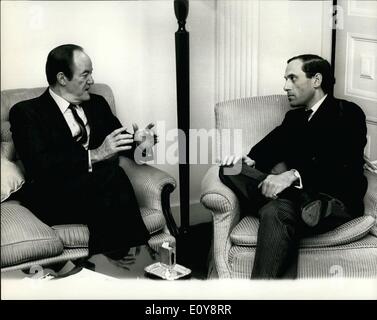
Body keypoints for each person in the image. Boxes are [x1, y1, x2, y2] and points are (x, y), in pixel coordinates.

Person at [219, 54, 368, 279]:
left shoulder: (347, 112)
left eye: (292, 78)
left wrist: (292, 175)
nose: (286, 86)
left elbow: (341, 163)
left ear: (316, 80)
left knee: (274, 210)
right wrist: (250, 161)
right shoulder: (294, 119)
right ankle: (300, 202)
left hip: (334, 198)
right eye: (286, 79)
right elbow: (268, 148)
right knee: (229, 168)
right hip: (301, 202)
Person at [9, 44, 156, 263]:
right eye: (85, 74)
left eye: (91, 73)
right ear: (62, 78)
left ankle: (106, 263)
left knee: (111, 181)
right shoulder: (26, 113)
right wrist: (95, 155)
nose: (92, 81)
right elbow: (40, 166)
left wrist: (140, 142)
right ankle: (143, 258)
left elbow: (119, 144)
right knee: (113, 178)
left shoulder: (97, 104)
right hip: (54, 195)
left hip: (100, 191)